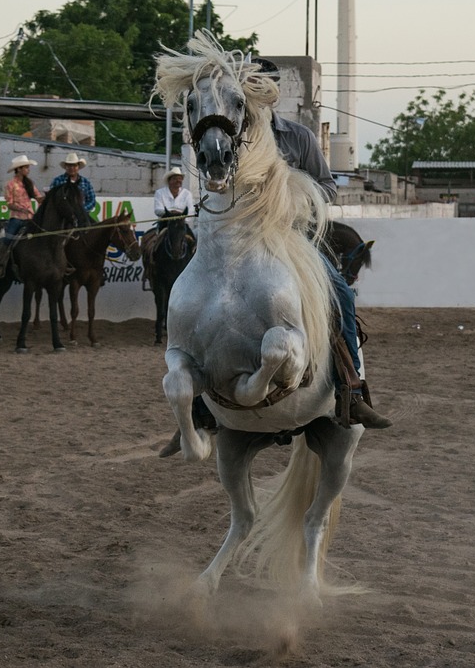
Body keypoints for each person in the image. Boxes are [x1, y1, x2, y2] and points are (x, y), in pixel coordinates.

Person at [159, 58, 391, 457]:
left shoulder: (298, 136)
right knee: (195, 301)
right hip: (236, 237)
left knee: (341, 295)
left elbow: (327, 187)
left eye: (261, 83)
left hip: (290, 236)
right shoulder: (232, 133)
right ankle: (197, 408)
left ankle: (352, 389)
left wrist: (292, 196)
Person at [0, 155, 43, 278]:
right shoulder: (10, 184)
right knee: (7, 239)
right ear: (19, 169)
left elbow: (37, 197)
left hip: (30, 218)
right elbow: (9, 203)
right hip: (16, 217)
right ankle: (1, 264)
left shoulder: (29, 183)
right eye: (26, 167)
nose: (28, 169)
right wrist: (20, 208)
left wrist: (46, 197)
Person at [142, 166, 196, 273]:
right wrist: (171, 214)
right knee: (155, 244)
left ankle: (193, 266)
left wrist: (180, 215)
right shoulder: (160, 193)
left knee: (193, 242)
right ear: (170, 180)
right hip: (166, 223)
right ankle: (152, 264)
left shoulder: (187, 194)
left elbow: (191, 211)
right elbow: (158, 209)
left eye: (180, 178)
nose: (178, 180)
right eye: (176, 178)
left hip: (181, 224)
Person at [48, 152, 98, 216]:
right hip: (61, 215)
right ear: (66, 167)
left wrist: (81, 210)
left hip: (82, 215)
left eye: (74, 165)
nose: (72, 168)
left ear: (78, 167)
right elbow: (51, 199)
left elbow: (92, 200)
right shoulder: (57, 181)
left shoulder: (85, 182)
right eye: (69, 165)